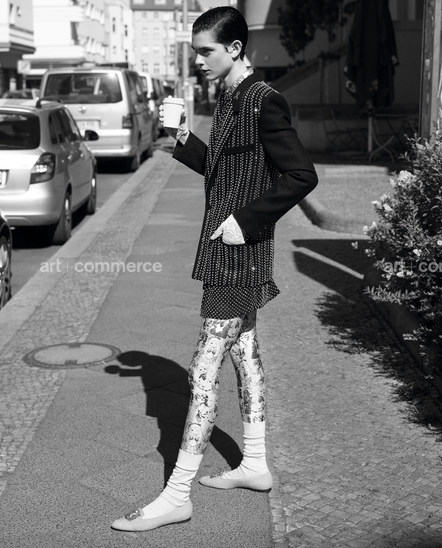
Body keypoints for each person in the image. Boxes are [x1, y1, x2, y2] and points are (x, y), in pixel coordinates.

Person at [111, 6, 318, 533]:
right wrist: (183, 137)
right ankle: (255, 463)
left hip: (239, 251)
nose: (198, 60)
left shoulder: (263, 100)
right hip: (226, 247)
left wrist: (245, 221)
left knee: (203, 367)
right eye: (196, 51)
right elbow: (222, 170)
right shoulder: (227, 97)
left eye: (206, 51)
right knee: (245, 353)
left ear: (234, 49)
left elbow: (301, 175)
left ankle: (177, 493)